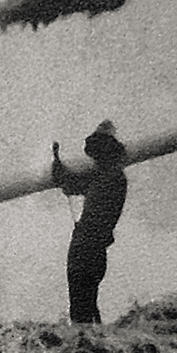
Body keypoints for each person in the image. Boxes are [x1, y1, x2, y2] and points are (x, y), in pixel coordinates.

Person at [51, 120, 129, 325]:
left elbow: (69, 183)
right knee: (87, 304)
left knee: (80, 307)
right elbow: (71, 184)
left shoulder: (107, 177)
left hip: (85, 246)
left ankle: (87, 343)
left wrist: (57, 163)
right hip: (95, 247)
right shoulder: (113, 176)